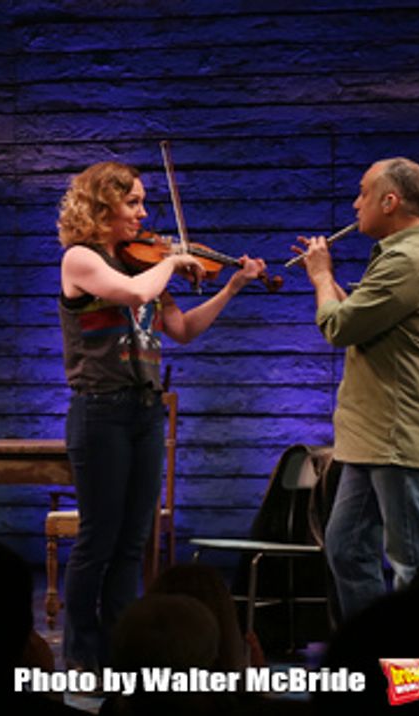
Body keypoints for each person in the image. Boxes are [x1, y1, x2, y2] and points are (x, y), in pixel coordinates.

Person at [56, 161, 265, 670]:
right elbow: (133, 295)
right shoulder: (81, 259)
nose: (144, 214)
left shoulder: (140, 264)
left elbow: (182, 328)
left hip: (145, 412)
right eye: (133, 203)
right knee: (98, 539)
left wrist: (232, 286)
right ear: (103, 206)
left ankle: (120, 653)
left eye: (144, 202)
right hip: (101, 411)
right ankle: (83, 653)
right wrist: (173, 261)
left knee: (132, 542)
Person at [293, 157, 419, 622]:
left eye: (363, 192)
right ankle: (374, 657)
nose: (354, 203)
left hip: (398, 433)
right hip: (373, 437)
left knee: (414, 562)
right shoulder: (401, 256)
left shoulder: (408, 259)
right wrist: (334, 287)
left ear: (390, 201)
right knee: (345, 548)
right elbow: (366, 321)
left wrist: (322, 277)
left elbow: (340, 327)